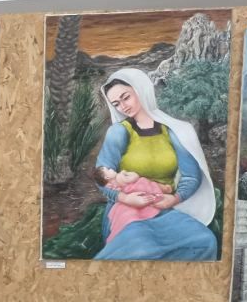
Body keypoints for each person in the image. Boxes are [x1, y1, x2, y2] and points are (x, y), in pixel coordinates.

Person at [93, 67, 217, 261]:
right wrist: (126, 198)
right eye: (116, 104)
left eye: (126, 97)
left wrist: (174, 199)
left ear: (140, 90)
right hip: (126, 208)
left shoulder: (174, 131)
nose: (123, 107)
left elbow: (191, 176)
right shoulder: (119, 132)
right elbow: (102, 178)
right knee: (142, 248)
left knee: (205, 241)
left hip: (162, 207)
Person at [93, 166, 172, 243]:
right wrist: (126, 173)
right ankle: (161, 191)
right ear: (107, 177)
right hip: (136, 188)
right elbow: (135, 177)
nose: (111, 169)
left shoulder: (110, 186)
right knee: (146, 183)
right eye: (108, 169)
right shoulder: (120, 176)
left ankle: (161, 192)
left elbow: (115, 192)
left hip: (130, 192)